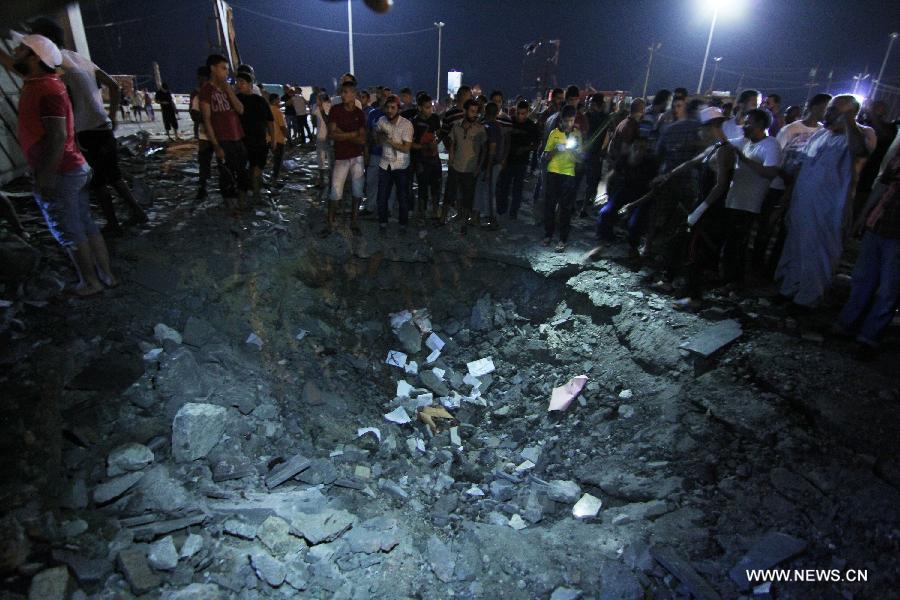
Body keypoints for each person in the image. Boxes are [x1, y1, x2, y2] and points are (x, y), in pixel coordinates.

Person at [22, 16, 147, 236]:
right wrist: (113, 115)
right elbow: (114, 86)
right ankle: (137, 211)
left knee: (98, 181)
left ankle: (112, 223)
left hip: (85, 132)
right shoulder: (79, 59)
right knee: (114, 175)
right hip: (103, 127)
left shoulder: (55, 64)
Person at [12, 34, 116, 296]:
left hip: (61, 171)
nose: (15, 51)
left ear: (35, 57)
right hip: (72, 168)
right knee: (85, 223)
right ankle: (106, 276)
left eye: (21, 49)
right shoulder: (42, 83)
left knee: (69, 229)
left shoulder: (45, 89)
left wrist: (45, 176)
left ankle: (89, 282)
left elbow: (57, 135)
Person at [776, 95, 869, 309]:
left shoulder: (856, 136)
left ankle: (807, 300)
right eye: (828, 110)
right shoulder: (819, 135)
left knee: (817, 255)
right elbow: (801, 168)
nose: (827, 115)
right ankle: (788, 290)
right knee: (795, 249)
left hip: (827, 210)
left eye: (834, 111)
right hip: (802, 205)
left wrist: (848, 122)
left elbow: (860, 152)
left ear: (850, 115)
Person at [658, 107, 737, 310]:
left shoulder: (725, 151)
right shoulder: (713, 148)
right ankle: (671, 280)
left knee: (696, 251)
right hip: (702, 204)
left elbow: (721, 185)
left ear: (711, 127)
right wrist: (667, 175)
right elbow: (690, 163)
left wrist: (701, 209)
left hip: (711, 209)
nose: (698, 133)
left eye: (701, 129)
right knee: (682, 243)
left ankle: (695, 297)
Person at [834, 134, 900, 357]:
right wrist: (864, 216)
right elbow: (882, 188)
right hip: (879, 225)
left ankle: (868, 338)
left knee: (888, 289)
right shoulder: (897, 158)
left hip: (895, 233)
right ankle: (846, 325)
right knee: (863, 279)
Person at [752, 93, 832, 277]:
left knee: (787, 232)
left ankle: (775, 269)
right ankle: (757, 266)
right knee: (767, 227)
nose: (827, 113)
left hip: (801, 191)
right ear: (813, 107)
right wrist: (786, 178)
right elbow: (775, 158)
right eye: (825, 108)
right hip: (778, 187)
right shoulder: (790, 129)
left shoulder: (823, 133)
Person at [719, 108, 782, 288]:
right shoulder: (746, 142)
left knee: (740, 245)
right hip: (735, 200)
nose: (744, 126)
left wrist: (743, 159)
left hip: (750, 205)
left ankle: (735, 282)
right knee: (731, 242)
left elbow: (771, 172)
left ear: (761, 124)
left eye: (748, 122)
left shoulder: (770, 145)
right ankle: (726, 279)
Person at [199, 54, 248, 212]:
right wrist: (216, 145)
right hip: (223, 140)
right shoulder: (207, 91)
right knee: (227, 175)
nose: (227, 72)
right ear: (213, 69)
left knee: (241, 171)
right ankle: (231, 206)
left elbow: (240, 109)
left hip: (238, 137)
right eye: (223, 68)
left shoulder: (228, 88)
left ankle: (241, 203)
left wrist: (228, 90)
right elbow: (206, 120)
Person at [328, 80, 367, 234]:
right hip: (341, 157)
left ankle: (354, 220)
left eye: (346, 92)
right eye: (342, 92)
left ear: (353, 94)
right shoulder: (335, 110)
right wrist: (353, 134)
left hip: (357, 157)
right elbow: (332, 134)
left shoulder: (359, 113)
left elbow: (363, 139)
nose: (343, 95)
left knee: (357, 191)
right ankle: (330, 222)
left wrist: (342, 134)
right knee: (336, 191)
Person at [542, 105, 581, 251]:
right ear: (561, 120)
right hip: (553, 172)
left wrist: (575, 151)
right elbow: (546, 156)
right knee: (550, 205)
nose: (568, 124)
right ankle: (548, 235)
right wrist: (555, 149)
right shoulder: (554, 133)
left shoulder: (577, 135)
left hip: (569, 174)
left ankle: (563, 239)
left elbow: (580, 160)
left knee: (565, 208)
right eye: (566, 121)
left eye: (571, 120)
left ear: (574, 119)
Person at [374, 95, 414, 234]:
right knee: (382, 197)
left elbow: (406, 148)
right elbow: (378, 142)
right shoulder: (381, 121)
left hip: (401, 166)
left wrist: (389, 141)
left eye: (393, 107)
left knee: (402, 196)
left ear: (398, 109)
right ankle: (383, 223)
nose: (390, 110)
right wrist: (379, 137)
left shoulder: (406, 124)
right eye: (388, 107)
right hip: (385, 164)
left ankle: (403, 224)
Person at [445, 99, 486, 234]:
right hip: (456, 166)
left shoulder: (480, 128)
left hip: (470, 168)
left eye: (476, 112)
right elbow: (452, 143)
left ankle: (465, 222)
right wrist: (451, 159)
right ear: (465, 111)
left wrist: (479, 167)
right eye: (472, 111)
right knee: (451, 193)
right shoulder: (456, 126)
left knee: (468, 196)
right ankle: (446, 218)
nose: (474, 114)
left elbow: (484, 150)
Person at [235, 72, 274, 206]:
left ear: (250, 85)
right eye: (237, 82)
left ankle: (255, 195)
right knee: (244, 171)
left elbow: (270, 121)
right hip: (242, 141)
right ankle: (246, 198)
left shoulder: (260, 101)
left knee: (257, 170)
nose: (239, 85)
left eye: (242, 82)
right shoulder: (235, 99)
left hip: (259, 141)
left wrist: (273, 139)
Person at [498, 100, 539, 219]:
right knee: (504, 186)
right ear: (515, 111)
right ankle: (502, 209)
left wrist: (525, 148)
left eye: (523, 113)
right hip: (508, 159)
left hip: (522, 161)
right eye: (519, 113)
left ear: (527, 113)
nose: (521, 116)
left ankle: (513, 212)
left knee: (517, 188)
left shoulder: (531, 126)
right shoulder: (509, 121)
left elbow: (536, 143)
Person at [411, 93, 442, 221]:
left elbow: (439, 134)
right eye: (427, 107)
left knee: (436, 185)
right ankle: (422, 212)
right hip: (421, 159)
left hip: (434, 158)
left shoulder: (435, 118)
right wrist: (424, 146)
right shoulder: (414, 122)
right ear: (419, 108)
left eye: (431, 107)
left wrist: (436, 142)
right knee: (422, 186)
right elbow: (410, 144)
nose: (430, 110)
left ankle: (435, 211)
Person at [476, 102, 504, 229]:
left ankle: (493, 221)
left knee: (490, 192)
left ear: (485, 112)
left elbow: (491, 148)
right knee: (489, 191)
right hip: (494, 163)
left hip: (491, 164)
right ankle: (490, 219)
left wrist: (487, 169)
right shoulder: (497, 126)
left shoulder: (488, 126)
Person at [190, 66, 213, 200]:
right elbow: (194, 115)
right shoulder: (198, 94)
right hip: (205, 134)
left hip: (217, 134)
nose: (199, 81)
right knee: (204, 161)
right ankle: (203, 186)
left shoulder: (216, 92)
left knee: (219, 162)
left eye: (201, 78)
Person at [312, 92, 333, 190]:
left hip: (326, 137)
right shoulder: (318, 107)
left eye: (318, 99)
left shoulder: (326, 107)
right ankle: (325, 181)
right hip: (324, 137)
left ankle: (325, 181)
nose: (317, 101)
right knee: (325, 160)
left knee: (324, 159)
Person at [268, 93, 288, 187]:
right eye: (278, 99)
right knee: (278, 161)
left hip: (268, 139)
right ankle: (274, 180)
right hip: (278, 139)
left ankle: (272, 179)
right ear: (275, 100)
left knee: (273, 159)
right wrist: (288, 137)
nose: (279, 101)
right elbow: (282, 127)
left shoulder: (267, 109)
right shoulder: (278, 111)